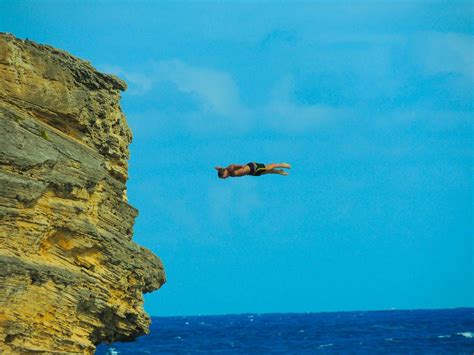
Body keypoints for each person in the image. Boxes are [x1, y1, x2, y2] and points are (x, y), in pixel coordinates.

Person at [215, 162, 291, 179]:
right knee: (266, 172)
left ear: (224, 172)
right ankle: (279, 172)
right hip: (250, 172)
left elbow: (233, 165)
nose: (224, 178)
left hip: (251, 167)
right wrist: (219, 169)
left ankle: (282, 164)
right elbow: (223, 169)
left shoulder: (229, 169)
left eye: (223, 177)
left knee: (268, 167)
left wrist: (242, 166)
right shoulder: (229, 174)